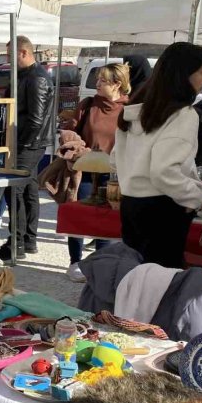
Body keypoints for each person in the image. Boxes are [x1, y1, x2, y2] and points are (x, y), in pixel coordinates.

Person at [113, 42, 202, 268]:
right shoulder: (182, 114)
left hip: (132, 205)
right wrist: (195, 196)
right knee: (161, 279)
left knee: (137, 276)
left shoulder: (137, 109)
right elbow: (163, 171)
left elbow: (115, 159)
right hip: (164, 208)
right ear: (184, 75)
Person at [64, 63, 131, 282]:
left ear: (117, 84)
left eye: (103, 80)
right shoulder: (88, 105)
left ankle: (100, 263)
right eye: (98, 79)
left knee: (106, 220)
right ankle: (75, 262)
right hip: (86, 170)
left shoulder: (129, 110)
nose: (97, 84)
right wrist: (75, 145)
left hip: (113, 175)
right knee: (79, 215)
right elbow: (70, 132)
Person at [0, 36, 54, 261]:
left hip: (29, 143)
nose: (8, 59)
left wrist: (20, 143)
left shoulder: (37, 78)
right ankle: (27, 240)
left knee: (15, 189)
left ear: (23, 53)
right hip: (28, 141)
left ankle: (17, 243)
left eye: (10, 55)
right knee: (28, 189)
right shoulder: (25, 75)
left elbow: (35, 119)